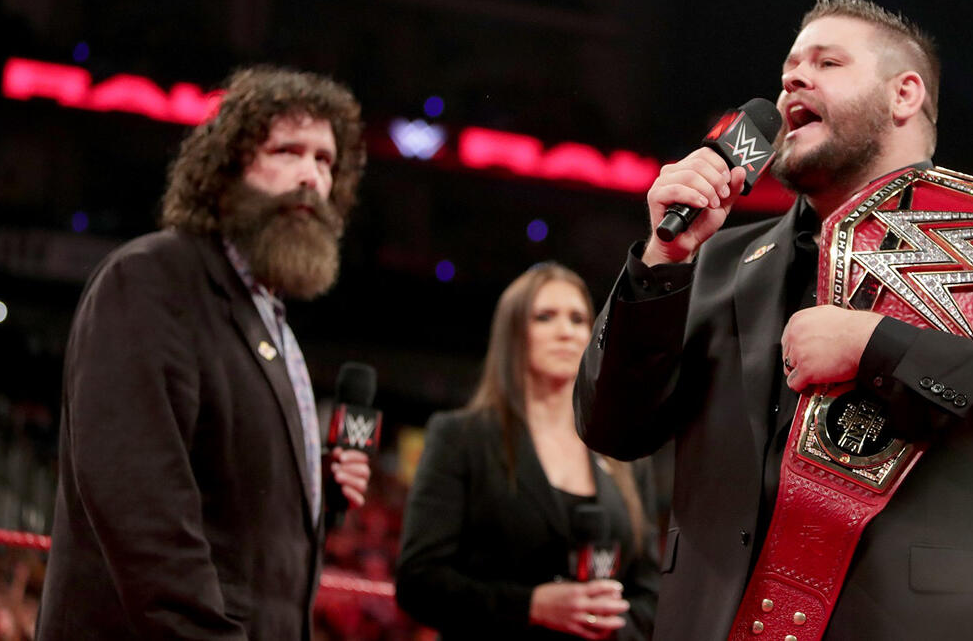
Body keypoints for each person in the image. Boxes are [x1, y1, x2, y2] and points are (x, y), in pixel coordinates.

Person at [575, 0, 973, 640]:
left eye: (827, 62)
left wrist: (878, 347)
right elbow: (610, 426)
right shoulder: (717, 261)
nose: (792, 79)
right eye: (788, 69)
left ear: (904, 94)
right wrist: (663, 256)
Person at [37, 67, 373, 640]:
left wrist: (312, 483)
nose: (310, 177)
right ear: (228, 168)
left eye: (324, 160)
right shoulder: (152, 280)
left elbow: (227, 492)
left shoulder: (268, 315)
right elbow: (142, 511)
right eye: (287, 150)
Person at [397, 264, 660, 640]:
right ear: (513, 335)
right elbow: (418, 582)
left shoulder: (624, 453)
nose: (566, 332)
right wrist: (531, 606)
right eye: (545, 317)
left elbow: (649, 593)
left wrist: (609, 626)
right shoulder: (461, 438)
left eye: (578, 319)